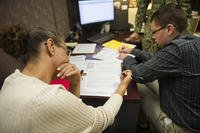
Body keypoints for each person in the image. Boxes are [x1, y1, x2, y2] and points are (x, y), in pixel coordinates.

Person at [0, 25, 132, 133]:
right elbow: (101, 119)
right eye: (66, 50)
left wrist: (75, 83)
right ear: (51, 46)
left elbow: (71, 116)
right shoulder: (49, 97)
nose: (68, 58)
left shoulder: (10, 81)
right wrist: (122, 85)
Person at [119, 3, 200, 133]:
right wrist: (134, 51)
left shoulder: (175, 50)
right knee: (145, 85)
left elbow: (139, 74)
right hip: (191, 112)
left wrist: (127, 57)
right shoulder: (192, 41)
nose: (152, 36)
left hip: (182, 126)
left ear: (169, 29)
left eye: (154, 32)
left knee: (138, 88)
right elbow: (158, 60)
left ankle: (146, 125)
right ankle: (144, 123)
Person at [125, 0, 193, 53]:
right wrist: (137, 30)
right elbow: (142, 7)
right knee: (150, 54)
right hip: (155, 22)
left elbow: (186, 8)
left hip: (176, 23)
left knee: (175, 54)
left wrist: (188, 34)